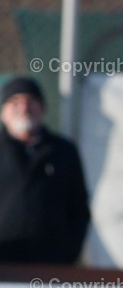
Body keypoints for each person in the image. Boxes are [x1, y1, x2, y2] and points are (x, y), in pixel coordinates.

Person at [0, 77, 90, 264]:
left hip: (51, 264)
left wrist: (69, 251)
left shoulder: (63, 150)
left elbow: (79, 207)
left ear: (42, 108)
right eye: (15, 102)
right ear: (3, 112)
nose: (24, 108)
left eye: (30, 101)